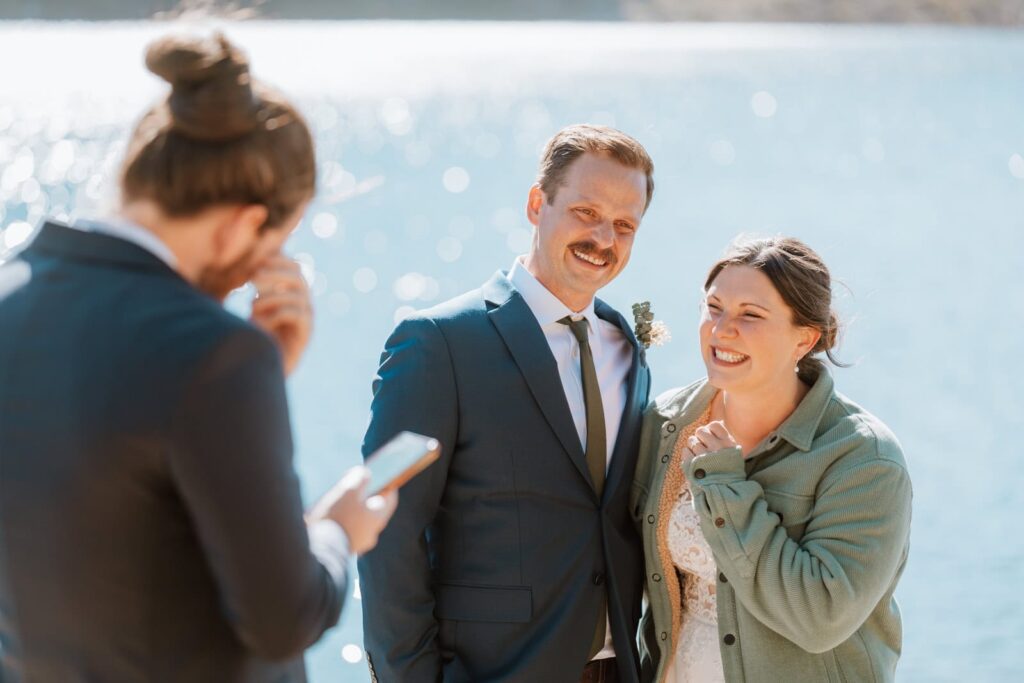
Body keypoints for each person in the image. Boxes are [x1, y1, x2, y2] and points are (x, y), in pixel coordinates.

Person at [0, 33, 396, 683]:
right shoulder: (217, 355)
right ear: (243, 224)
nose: (252, 278)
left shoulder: (11, 298)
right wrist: (336, 530)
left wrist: (259, 381)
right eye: (273, 245)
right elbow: (282, 617)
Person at [358, 124, 655, 683]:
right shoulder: (436, 343)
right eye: (586, 212)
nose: (604, 240)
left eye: (623, 225)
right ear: (537, 203)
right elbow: (385, 528)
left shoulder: (626, 347)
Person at [632, 236, 912, 683]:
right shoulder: (667, 423)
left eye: (750, 315)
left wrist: (725, 490)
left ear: (804, 338)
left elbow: (819, 619)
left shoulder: (865, 459)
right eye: (714, 307)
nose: (722, 329)